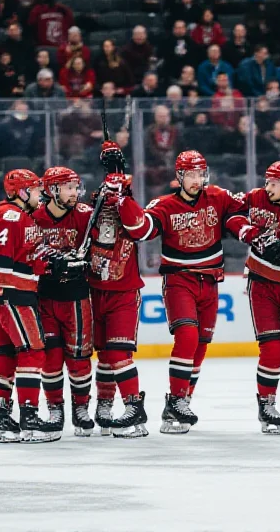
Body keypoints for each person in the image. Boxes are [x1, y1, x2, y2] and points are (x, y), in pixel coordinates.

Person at [113, 151, 250, 434]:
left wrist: (246, 225)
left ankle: (181, 401)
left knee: (200, 345)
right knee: (187, 336)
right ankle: (176, 400)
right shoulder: (164, 205)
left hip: (210, 282)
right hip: (179, 281)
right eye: (190, 175)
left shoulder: (218, 196)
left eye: (200, 174)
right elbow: (140, 229)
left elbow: (243, 209)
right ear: (179, 176)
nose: (196, 180)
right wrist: (124, 198)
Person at [0, 169, 81, 443]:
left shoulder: (12, 216)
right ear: (22, 192)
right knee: (34, 351)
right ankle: (30, 417)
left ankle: (1, 418)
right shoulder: (11, 216)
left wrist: (58, 263)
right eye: (36, 190)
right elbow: (0, 263)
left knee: (4, 356)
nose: (40, 195)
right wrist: (8, 292)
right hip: (11, 296)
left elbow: (27, 255)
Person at [234, 162, 280, 434]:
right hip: (262, 285)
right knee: (272, 349)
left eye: (274, 183)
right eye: (267, 182)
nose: (267, 187)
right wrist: (248, 230)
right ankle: (266, 404)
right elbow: (230, 212)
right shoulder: (256, 198)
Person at [87, 144, 148, 437]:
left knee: (119, 352)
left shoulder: (130, 205)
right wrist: (109, 179)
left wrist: (121, 190)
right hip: (95, 290)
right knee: (104, 354)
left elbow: (139, 228)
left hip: (124, 291)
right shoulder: (93, 206)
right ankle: (105, 404)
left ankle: (134, 410)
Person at [32, 167, 96, 437]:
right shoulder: (34, 218)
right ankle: (55, 408)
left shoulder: (84, 215)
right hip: (45, 298)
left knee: (80, 357)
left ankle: (81, 408)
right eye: (68, 187)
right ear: (52, 190)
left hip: (77, 297)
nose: (74, 193)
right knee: (51, 358)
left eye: (75, 187)